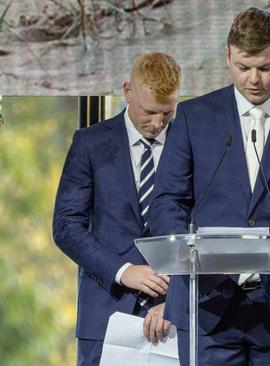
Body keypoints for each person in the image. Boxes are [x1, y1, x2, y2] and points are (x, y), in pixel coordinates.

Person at [148, 8, 270, 366]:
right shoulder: (194, 118)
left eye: (265, 67)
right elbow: (166, 203)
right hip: (206, 303)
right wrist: (197, 254)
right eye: (243, 67)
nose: (254, 79)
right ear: (228, 56)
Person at [52, 51, 182, 365]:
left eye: (166, 113)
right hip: (105, 315)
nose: (156, 123)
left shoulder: (190, 143)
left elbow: (205, 227)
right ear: (127, 91)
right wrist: (124, 272)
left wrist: (178, 300)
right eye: (149, 112)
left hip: (175, 318)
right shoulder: (89, 143)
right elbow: (66, 227)